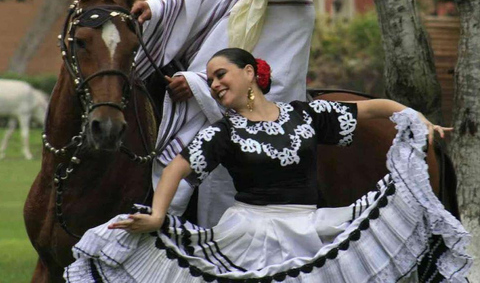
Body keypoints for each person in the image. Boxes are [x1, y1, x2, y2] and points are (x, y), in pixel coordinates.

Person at [65, 48, 471, 283]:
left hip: (310, 228)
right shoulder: (224, 132)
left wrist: (415, 116)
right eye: (210, 79)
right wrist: (156, 215)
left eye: (220, 74)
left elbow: (374, 108)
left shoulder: (305, 115)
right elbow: (177, 167)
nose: (215, 83)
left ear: (249, 73)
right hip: (250, 235)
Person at [131, 0, 343, 227]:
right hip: (188, 72)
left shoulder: (300, 12)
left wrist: (200, 86)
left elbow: (279, 83)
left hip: (233, 110)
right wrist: (156, 6)